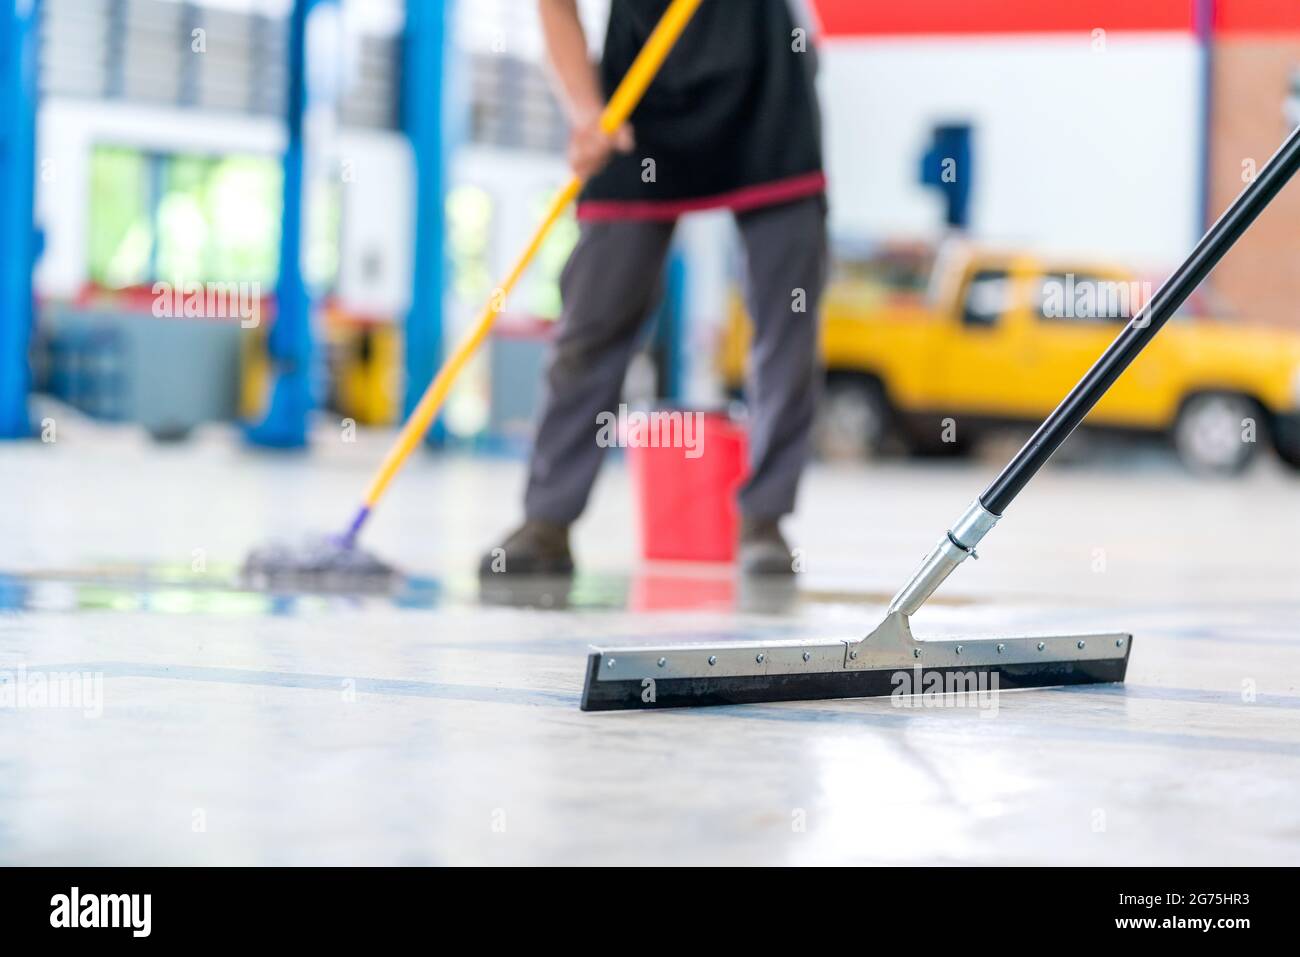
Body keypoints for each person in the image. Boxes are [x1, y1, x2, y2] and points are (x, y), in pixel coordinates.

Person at [480, 0, 828, 577]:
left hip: (768, 94)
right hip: (639, 99)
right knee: (593, 317)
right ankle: (547, 521)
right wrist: (585, 112)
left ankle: (764, 519)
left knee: (786, 319)